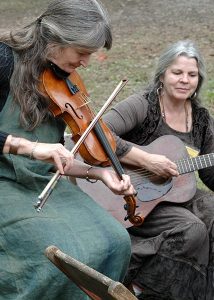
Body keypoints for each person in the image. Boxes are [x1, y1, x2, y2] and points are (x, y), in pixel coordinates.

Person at [0, 0, 136, 299]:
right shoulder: (3, 60)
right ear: (55, 40)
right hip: (3, 183)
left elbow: (55, 156)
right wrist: (30, 148)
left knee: (115, 240)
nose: (86, 63)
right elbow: (39, 150)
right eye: (82, 53)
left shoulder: (58, 75)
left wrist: (98, 173)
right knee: (56, 256)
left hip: (37, 181)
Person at [103, 40, 214, 300]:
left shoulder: (201, 119)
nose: (184, 80)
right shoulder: (144, 105)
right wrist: (146, 160)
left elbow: (209, 175)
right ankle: (142, 288)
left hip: (175, 194)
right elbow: (99, 132)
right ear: (162, 75)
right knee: (192, 229)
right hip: (131, 195)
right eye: (177, 72)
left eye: (192, 74)